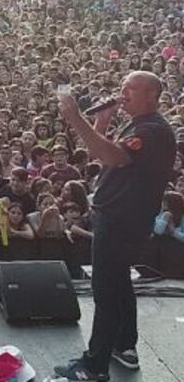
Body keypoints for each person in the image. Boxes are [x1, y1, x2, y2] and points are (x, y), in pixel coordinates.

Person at [54, 72, 176, 381]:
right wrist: (102, 122)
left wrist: (75, 117)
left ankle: (95, 366)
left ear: (152, 95)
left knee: (105, 291)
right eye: (122, 86)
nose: (123, 92)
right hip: (119, 217)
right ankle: (124, 346)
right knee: (119, 283)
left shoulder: (151, 130)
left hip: (121, 220)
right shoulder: (137, 125)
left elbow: (112, 155)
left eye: (131, 88)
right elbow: (105, 156)